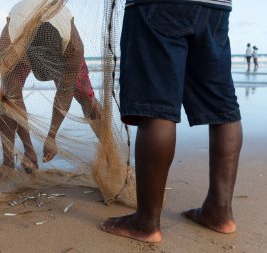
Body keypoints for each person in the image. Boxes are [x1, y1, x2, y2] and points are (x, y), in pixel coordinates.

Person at [101, 0, 243, 243]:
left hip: (160, 6)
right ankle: (219, 212)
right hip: (216, 7)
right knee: (222, 106)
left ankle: (146, 223)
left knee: (157, 106)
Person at [0, 0, 101, 182]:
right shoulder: (8, 45)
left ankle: (109, 153)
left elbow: (65, 91)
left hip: (60, 43)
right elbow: (13, 98)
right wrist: (29, 147)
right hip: (20, 41)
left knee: (86, 97)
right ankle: (8, 164)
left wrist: (51, 136)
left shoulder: (73, 46)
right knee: (7, 99)